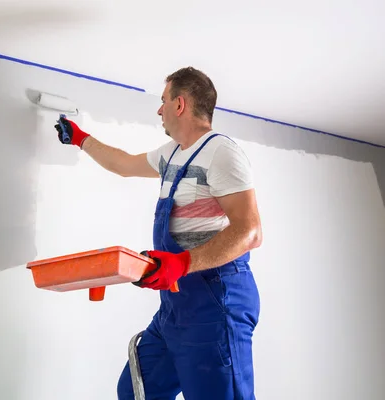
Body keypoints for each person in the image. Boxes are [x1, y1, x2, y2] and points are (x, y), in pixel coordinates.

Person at [54, 66, 262, 400]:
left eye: (163, 101)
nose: (159, 109)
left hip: (216, 301)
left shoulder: (222, 152)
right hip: (176, 305)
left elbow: (250, 231)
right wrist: (81, 139)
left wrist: (180, 264)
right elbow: (123, 164)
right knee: (138, 390)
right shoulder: (172, 154)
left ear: (180, 104)